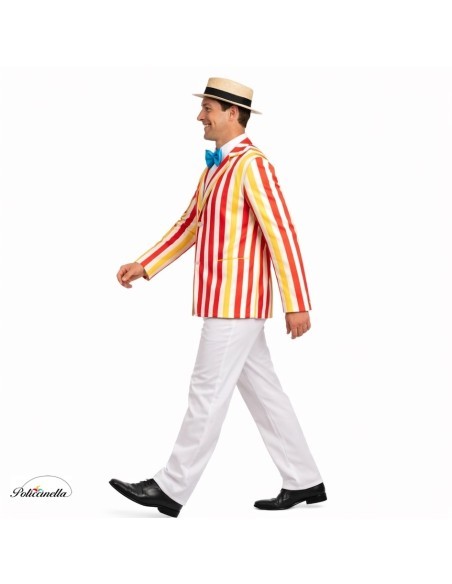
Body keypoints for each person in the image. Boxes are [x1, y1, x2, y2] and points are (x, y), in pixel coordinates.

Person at [109, 77, 327, 518]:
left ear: (232, 113)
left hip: (236, 303)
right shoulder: (214, 167)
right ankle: (304, 479)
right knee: (265, 393)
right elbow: (189, 224)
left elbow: (282, 233)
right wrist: (145, 264)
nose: (200, 116)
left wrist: (297, 302)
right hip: (222, 300)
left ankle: (171, 487)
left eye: (207, 108)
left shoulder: (253, 165)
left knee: (206, 391)